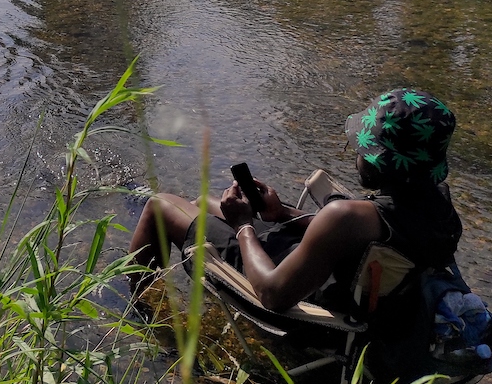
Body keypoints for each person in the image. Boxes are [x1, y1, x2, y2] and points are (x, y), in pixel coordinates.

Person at [128, 88, 464, 313]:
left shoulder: (345, 216)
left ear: (380, 162)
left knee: (160, 206)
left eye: (360, 149)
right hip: (355, 290)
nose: (355, 156)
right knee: (202, 201)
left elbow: (274, 295)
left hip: (298, 289)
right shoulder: (439, 210)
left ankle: (138, 309)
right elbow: (355, 238)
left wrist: (244, 226)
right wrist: (282, 213)